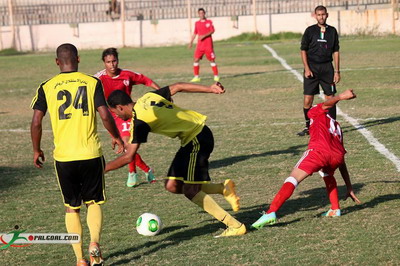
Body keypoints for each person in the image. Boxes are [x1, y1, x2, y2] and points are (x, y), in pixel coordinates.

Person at [105, 82, 246, 237]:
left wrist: (101, 169)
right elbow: (177, 86)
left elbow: (128, 156)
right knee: (173, 185)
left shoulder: (139, 122)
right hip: (191, 139)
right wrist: (210, 89)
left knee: (190, 190)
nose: (116, 116)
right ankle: (222, 188)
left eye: (115, 113)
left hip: (197, 138)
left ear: (120, 107)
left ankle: (235, 226)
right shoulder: (147, 97)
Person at [30, 43, 124, 266]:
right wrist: (116, 136)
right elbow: (105, 115)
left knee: (71, 207)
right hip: (91, 153)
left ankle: (80, 259)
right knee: (94, 202)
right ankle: (94, 243)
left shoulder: (47, 86)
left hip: (64, 157)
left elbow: (36, 122)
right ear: (78, 59)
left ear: (57, 62)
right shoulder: (92, 82)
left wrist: (36, 149)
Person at [252, 89, 361, 229]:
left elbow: (327, 104)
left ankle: (270, 212)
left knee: (293, 178)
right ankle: (335, 208)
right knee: (326, 173)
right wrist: (349, 186)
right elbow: (341, 160)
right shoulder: (337, 126)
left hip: (318, 151)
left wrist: (341, 97)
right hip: (336, 157)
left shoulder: (314, 112)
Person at [95, 47, 160, 188]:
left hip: (126, 114)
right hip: (109, 117)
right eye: (108, 62)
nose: (112, 65)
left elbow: (146, 80)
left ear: (118, 61)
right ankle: (147, 170)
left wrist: (161, 93)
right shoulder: (98, 78)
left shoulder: (127, 75)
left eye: (114, 61)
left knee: (126, 144)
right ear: (103, 63)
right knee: (125, 146)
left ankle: (132, 173)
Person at [298, 5, 340, 136]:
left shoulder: (332, 31)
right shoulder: (310, 31)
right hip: (312, 68)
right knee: (307, 100)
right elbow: (303, 50)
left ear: (327, 15)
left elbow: (336, 51)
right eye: (319, 15)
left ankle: (332, 126)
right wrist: (306, 68)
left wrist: (337, 71)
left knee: (330, 98)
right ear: (315, 16)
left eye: (323, 14)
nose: (321, 17)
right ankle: (308, 126)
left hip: (327, 68)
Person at [188, 8, 220, 83]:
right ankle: (196, 77)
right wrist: (191, 42)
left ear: (204, 13)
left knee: (212, 60)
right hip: (200, 46)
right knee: (196, 59)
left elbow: (212, 31)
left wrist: (204, 36)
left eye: (202, 13)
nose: (201, 14)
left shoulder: (209, 22)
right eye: (200, 13)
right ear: (198, 14)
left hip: (208, 45)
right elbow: (195, 33)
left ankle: (216, 76)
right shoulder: (197, 23)